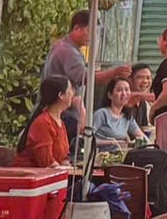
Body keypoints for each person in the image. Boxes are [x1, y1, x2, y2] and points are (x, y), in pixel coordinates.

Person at [42, 9, 128, 143]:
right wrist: (113, 73)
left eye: (96, 32)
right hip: (62, 112)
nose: (92, 36)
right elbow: (85, 78)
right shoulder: (67, 51)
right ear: (76, 28)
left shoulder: (68, 47)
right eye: (89, 30)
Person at [17, 77, 75, 169]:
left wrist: (67, 166)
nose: (72, 93)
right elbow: (47, 163)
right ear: (61, 95)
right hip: (32, 174)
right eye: (70, 89)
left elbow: (63, 157)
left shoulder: (60, 123)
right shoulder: (43, 123)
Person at [92, 76, 147, 147]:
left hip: (121, 153)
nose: (124, 93)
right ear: (110, 95)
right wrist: (110, 142)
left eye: (127, 90)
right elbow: (87, 139)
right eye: (119, 90)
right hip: (102, 153)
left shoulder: (127, 116)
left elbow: (141, 136)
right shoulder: (101, 114)